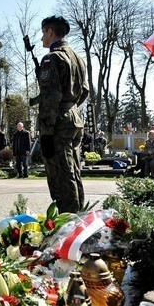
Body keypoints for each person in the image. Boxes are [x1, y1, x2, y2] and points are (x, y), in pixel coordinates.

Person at [33, 15, 89, 213]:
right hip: (73, 118)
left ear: (50, 31)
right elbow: (84, 91)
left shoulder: (53, 57)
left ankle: (68, 223)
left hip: (58, 122)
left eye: (43, 34)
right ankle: (79, 215)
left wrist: (46, 131)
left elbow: (50, 98)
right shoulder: (77, 58)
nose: (42, 39)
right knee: (73, 170)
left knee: (60, 175)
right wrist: (70, 107)